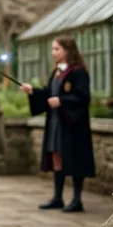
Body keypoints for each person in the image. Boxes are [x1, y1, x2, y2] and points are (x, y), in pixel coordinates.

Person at [20, 34, 95, 212]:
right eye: (52, 49)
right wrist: (33, 92)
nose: (53, 52)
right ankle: (57, 197)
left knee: (75, 159)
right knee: (56, 156)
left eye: (56, 49)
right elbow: (48, 93)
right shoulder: (56, 72)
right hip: (55, 121)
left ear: (67, 50)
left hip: (72, 123)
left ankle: (77, 200)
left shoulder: (78, 72)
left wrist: (62, 101)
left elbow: (83, 97)